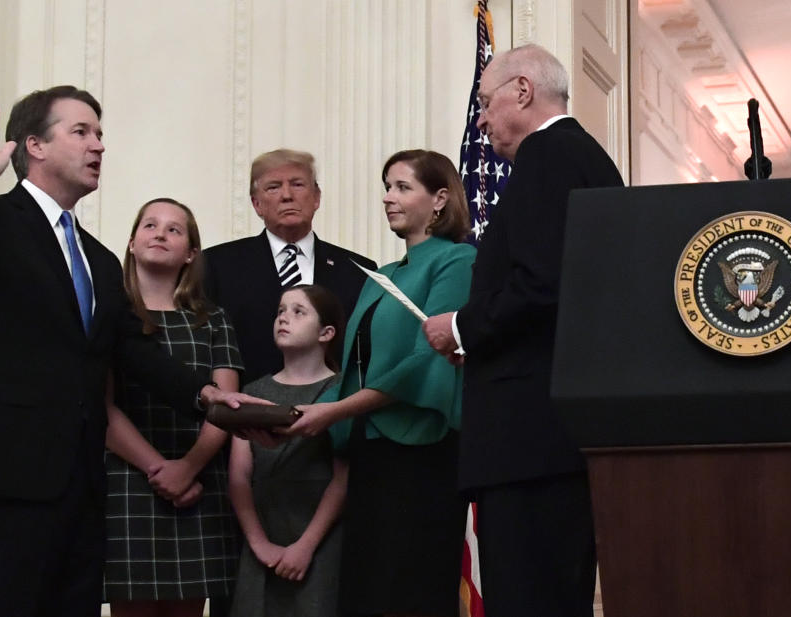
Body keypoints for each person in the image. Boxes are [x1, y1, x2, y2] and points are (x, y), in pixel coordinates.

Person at [0, 88, 260, 617]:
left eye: (100, 134)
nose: (98, 145)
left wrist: (211, 398)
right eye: (82, 132)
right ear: (35, 145)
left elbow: (134, 352)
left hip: (82, 482)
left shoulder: (96, 257)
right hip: (8, 474)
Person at [422, 44, 625, 617]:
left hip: (529, 438)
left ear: (523, 91)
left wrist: (462, 328)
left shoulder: (548, 155)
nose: (480, 119)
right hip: (556, 434)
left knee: (529, 596)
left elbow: (541, 285)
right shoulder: (582, 156)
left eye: (486, 103)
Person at [285, 149, 476, 617]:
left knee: (411, 590)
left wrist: (333, 412)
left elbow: (426, 361)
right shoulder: (381, 276)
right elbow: (352, 372)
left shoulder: (457, 260)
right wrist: (285, 415)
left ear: (440, 199)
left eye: (402, 187)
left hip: (423, 453)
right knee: (368, 592)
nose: (388, 198)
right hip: (370, 455)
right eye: (386, 187)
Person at [103, 198, 243, 617]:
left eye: (174, 229)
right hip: (127, 481)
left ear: (192, 253)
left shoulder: (213, 319)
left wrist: (188, 468)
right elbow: (102, 408)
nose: (160, 234)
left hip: (199, 483)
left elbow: (226, 404)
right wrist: (157, 469)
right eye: (150, 225)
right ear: (131, 243)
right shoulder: (108, 317)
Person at [204, 148, 377, 383]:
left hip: (334, 410)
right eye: (273, 187)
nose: (287, 195)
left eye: (297, 184)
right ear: (256, 204)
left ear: (316, 198)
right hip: (245, 409)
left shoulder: (358, 271)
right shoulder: (216, 265)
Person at [228, 284, 348, 617]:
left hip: (319, 538)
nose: (284, 318)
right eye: (281, 310)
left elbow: (343, 476)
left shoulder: (340, 393)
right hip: (263, 533)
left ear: (326, 332)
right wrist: (258, 543)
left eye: (298, 311)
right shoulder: (254, 391)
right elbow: (239, 475)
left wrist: (306, 545)